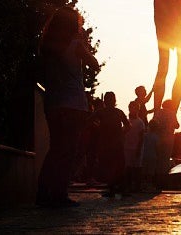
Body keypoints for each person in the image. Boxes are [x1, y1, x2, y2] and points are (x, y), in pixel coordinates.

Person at [36, 7, 100, 208]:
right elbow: (95, 64)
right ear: (74, 25)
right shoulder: (75, 44)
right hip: (72, 103)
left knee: (55, 150)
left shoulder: (47, 45)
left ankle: (43, 193)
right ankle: (59, 193)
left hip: (53, 102)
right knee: (69, 151)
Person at [95, 92, 131, 198]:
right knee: (118, 166)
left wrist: (99, 129)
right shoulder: (117, 112)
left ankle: (114, 190)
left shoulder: (101, 112)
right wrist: (121, 133)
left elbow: (89, 121)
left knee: (111, 166)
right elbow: (128, 126)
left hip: (109, 143)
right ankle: (121, 190)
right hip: (115, 143)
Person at [150, 99, 180, 189]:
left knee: (157, 159)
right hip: (169, 139)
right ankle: (163, 182)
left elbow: (153, 123)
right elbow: (177, 125)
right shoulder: (172, 113)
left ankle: (155, 181)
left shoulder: (158, 112)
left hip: (158, 138)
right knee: (165, 160)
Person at [124, 101, 146, 192]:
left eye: (134, 108)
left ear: (138, 109)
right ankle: (128, 185)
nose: (132, 110)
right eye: (131, 107)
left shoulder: (140, 123)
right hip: (127, 148)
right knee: (128, 168)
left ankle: (137, 186)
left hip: (136, 148)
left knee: (137, 168)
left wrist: (139, 149)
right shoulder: (127, 121)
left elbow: (141, 138)